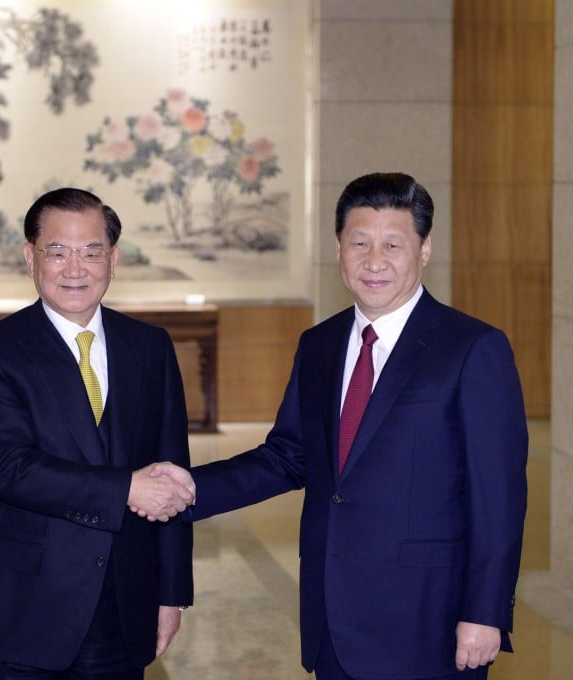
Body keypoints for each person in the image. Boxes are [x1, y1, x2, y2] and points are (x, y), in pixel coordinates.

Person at [146, 172, 528, 679]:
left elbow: (498, 497)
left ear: (425, 248)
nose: (375, 261)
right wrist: (193, 488)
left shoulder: (472, 348)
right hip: (332, 616)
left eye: (393, 244)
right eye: (359, 243)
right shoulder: (320, 345)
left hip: (427, 620)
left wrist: (485, 613)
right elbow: (288, 455)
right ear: (338, 249)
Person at [0, 187, 195, 679]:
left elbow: (171, 473)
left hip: (124, 606)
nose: (75, 268)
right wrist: (127, 487)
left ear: (114, 258)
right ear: (30, 257)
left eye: (91, 251)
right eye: (57, 252)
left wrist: (170, 595)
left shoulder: (149, 347)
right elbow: (12, 470)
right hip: (22, 609)